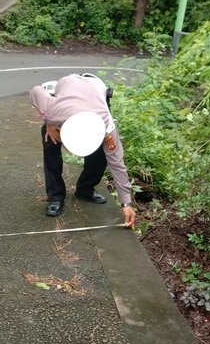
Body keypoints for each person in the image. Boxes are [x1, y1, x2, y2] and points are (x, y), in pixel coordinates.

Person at [30, 73, 136, 228]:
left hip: (96, 89)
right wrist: (49, 122)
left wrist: (126, 202)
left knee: (102, 155)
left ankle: (85, 189)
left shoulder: (106, 127)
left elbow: (117, 164)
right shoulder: (54, 111)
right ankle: (55, 196)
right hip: (67, 92)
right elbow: (35, 90)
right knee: (49, 140)